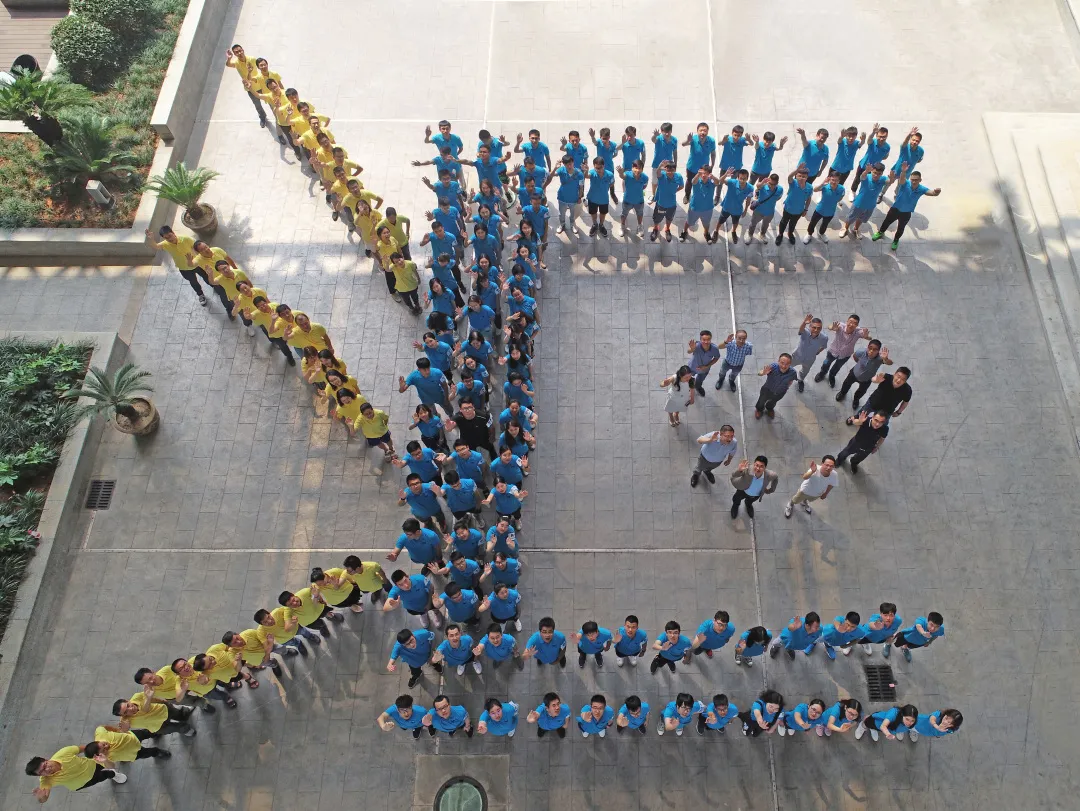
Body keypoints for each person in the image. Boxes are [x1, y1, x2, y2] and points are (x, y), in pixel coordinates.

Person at [872, 166, 942, 250]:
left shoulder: (922, 189)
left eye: (916, 180)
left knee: (901, 228)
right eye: (912, 179)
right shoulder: (905, 183)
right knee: (886, 222)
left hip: (906, 213)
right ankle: (880, 233)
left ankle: (896, 240)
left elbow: (932, 193)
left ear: (920, 180)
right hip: (895, 209)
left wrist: (936, 192)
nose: (914, 181)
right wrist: (903, 171)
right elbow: (902, 179)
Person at [26, 744, 126, 802]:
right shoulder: (45, 780)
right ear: (40, 775)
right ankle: (114, 775)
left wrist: (99, 750)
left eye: (45, 765)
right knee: (105, 775)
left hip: (92, 765)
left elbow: (84, 748)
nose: (47, 770)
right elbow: (44, 797)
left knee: (107, 767)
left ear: (45, 759)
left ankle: (112, 772)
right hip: (83, 783)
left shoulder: (63, 753)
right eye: (42, 772)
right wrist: (41, 797)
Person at [145, 225, 207, 305]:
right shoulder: (166, 244)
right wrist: (151, 239)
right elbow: (156, 246)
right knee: (193, 282)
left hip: (196, 263)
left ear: (173, 233)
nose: (169, 239)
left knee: (206, 276)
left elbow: (197, 247)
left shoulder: (185, 239)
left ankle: (214, 286)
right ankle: (200, 294)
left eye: (170, 236)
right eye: (166, 238)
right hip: (184, 268)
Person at [815, 314, 871, 388]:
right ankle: (822, 373)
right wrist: (832, 328)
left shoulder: (858, 332)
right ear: (847, 321)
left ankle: (831, 376)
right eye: (850, 321)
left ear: (857, 325)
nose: (851, 325)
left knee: (837, 367)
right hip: (832, 352)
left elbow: (869, 338)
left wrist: (866, 337)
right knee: (826, 363)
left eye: (855, 323)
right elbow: (830, 327)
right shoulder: (840, 326)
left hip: (845, 355)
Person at [111, 693, 195, 739]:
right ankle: (186, 729)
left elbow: (152, 699)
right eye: (126, 712)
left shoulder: (137, 697)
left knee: (179, 714)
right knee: (176, 728)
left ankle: (185, 712)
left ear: (127, 700)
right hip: (158, 727)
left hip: (162, 710)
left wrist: (165, 702)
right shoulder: (125, 721)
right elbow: (121, 734)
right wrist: (125, 729)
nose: (131, 709)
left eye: (128, 705)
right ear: (123, 715)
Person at [836, 340, 892, 409]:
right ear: (867, 347)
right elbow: (855, 356)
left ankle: (856, 400)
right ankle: (842, 393)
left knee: (861, 391)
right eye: (870, 348)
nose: (871, 351)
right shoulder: (862, 351)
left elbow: (890, 363)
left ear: (878, 351)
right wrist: (859, 364)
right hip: (854, 373)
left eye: (875, 350)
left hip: (867, 379)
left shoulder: (880, 358)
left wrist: (886, 359)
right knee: (846, 383)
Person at [839, 161, 887, 240]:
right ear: (872, 170)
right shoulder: (867, 177)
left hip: (870, 206)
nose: (876, 175)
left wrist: (892, 178)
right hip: (859, 203)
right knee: (851, 217)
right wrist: (866, 171)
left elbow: (889, 181)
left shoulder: (883, 179)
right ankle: (845, 228)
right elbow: (862, 176)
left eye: (879, 174)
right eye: (875, 172)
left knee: (861, 218)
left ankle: (856, 229)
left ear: (882, 174)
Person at [225, 44, 268, 127]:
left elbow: (261, 67)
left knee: (270, 100)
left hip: (260, 84)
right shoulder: (236, 63)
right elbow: (228, 64)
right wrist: (229, 58)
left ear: (243, 50)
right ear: (234, 54)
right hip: (250, 88)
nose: (239, 53)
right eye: (236, 52)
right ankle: (263, 117)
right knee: (257, 105)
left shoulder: (252, 59)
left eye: (240, 50)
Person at [879, 126, 925, 202]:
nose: (914, 142)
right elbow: (904, 142)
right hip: (896, 170)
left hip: (907, 173)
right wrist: (909, 134)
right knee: (888, 182)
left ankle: (896, 195)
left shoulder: (921, 151)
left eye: (917, 141)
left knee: (900, 186)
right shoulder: (905, 147)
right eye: (913, 140)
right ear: (910, 139)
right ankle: (881, 194)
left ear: (919, 142)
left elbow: (919, 160)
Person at [712, 168, 754, 244]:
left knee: (735, 222)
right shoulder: (732, 182)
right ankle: (716, 231)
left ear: (747, 178)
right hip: (727, 207)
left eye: (744, 179)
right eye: (741, 178)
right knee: (721, 220)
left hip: (737, 210)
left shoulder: (750, 188)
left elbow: (748, 200)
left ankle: (733, 231)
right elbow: (720, 181)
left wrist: (745, 210)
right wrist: (725, 175)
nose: (742, 180)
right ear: (738, 178)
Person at [849, 124, 890, 200]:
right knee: (857, 179)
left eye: (884, 137)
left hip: (874, 169)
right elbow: (869, 140)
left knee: (868, 182)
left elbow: (885, 156)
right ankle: (853, 192)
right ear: (876, 135)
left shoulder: (887, 147)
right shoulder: (873, 142)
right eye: (880, 136)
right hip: (864, 165)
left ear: (887, 136)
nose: (881, 139)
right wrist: (873, 132)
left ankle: (863, 194)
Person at [774, 166, 813, 245]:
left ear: (807, 177)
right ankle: (780, 234)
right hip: (788, 208)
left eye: (804, 176)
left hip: (799, 211)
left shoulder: (809, 187)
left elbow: (809, 199)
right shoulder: (793, 183)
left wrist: (806, 209)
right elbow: (789, 177)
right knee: (783, 222)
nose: (801, 178)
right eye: (799, 176)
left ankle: (790, 234)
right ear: (796, 176)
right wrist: (797, 170)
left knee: (793, 223)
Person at [790, 314, 829, 392]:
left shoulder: (824, 337)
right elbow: (800, 330)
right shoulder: (805, 332)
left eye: (819, 328)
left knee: (804, 371)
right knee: (789, 366)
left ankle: (800, 380)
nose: (816, 330)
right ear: (810, 326)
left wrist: (817, 352)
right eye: (814, 327)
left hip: (809, 359)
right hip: (797, 355)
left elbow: (824, 346)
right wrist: (804, 322)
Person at [680, 165, 717, 243]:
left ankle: (706, 233)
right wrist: (698, 174)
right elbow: (693, 181)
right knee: (689, 222)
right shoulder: (697, 181)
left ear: (709, 174)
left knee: (706, 224)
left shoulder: (711, 182)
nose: (703, 175)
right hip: (694, 208)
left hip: (707, 209)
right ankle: (684, 231)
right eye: (702, 173)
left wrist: (713, 177)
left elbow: (718, 182)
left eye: (706, 173)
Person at [743, 172, 783, 243]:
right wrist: (762, 182)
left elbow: (779, 197)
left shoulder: (780, 189)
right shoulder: (763, 186)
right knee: (753, 224)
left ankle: (762, 234)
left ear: (777, 183)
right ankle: (750, 234)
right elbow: (757, 186)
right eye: (770, 183)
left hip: (770, 212)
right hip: (758, 210)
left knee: (765, 225)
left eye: (774, 184)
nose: (772, 186)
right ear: (768, 181)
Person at [682, 123, 716, 203]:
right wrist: (688, 140)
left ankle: (699, 197)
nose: (702, 133)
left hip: (704, 169)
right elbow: (683, 144)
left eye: (705, 131)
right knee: (689, 182)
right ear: (697, 131)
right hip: (692, 167)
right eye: (701, 130)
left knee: (702, 183)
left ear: (707, 132)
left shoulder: (711, 141)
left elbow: (713, 153)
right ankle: (687, 195)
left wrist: (712, 164)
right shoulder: (693, 138)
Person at [616, 160, 649, 236]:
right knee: (624, 214)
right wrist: (620, 173)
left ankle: (640, 226)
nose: (637, 170)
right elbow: (622, 176)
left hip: (639, 201)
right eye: (635, 168)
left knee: (640, 214)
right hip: (627, 201)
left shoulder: (645, 177)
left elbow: (644, 186)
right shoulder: (627, 174)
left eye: (639, 168)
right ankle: (622, 226)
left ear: (642, 169)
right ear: (632, 168)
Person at [585, 156, 615, 237]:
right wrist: (586, 170)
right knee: (593, 213)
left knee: (603, 213)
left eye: (600, 168)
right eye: (596, 168)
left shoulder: (610, 174)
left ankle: (601, 225)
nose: (598, 170)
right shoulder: (592, 172)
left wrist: (605, 188)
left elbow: (612, 183)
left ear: (603, 165)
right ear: (594, 166)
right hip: (592, 198)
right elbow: (586, 176)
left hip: (604, 199)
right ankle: (594, 224)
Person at [686, 330, 722, 396]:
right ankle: (688, 388)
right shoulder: (696, 345)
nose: (706, 342)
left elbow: (716, 357)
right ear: (700, 340)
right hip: (692, 367)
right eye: (704, 340)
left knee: (700, 381)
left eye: (708, 339)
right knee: (687, 379)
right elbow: (688, 352)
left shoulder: (715, 349)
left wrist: (707, 366)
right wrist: (692, 349)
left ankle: (698, 387)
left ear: (711, 339)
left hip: (704, 370)